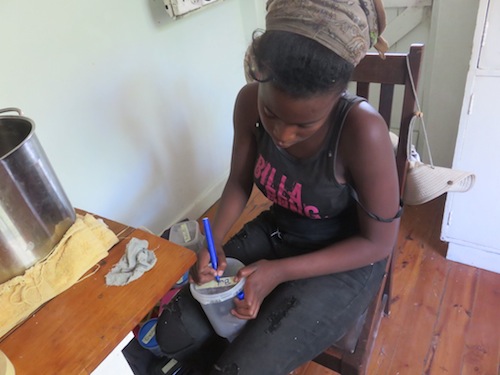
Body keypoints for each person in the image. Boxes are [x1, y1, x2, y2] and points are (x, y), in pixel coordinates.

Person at [155, 1, 401, 374]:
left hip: (345, 258)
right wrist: (214, 240)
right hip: (281, 230)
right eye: (272, 113)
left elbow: (379, 243)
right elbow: (239, 180)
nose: (283, 135)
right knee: (174, 332)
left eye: (306, 125)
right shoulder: (248, 102)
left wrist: (279, 272)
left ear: (337, 97)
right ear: (260, 77)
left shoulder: (362, 131)